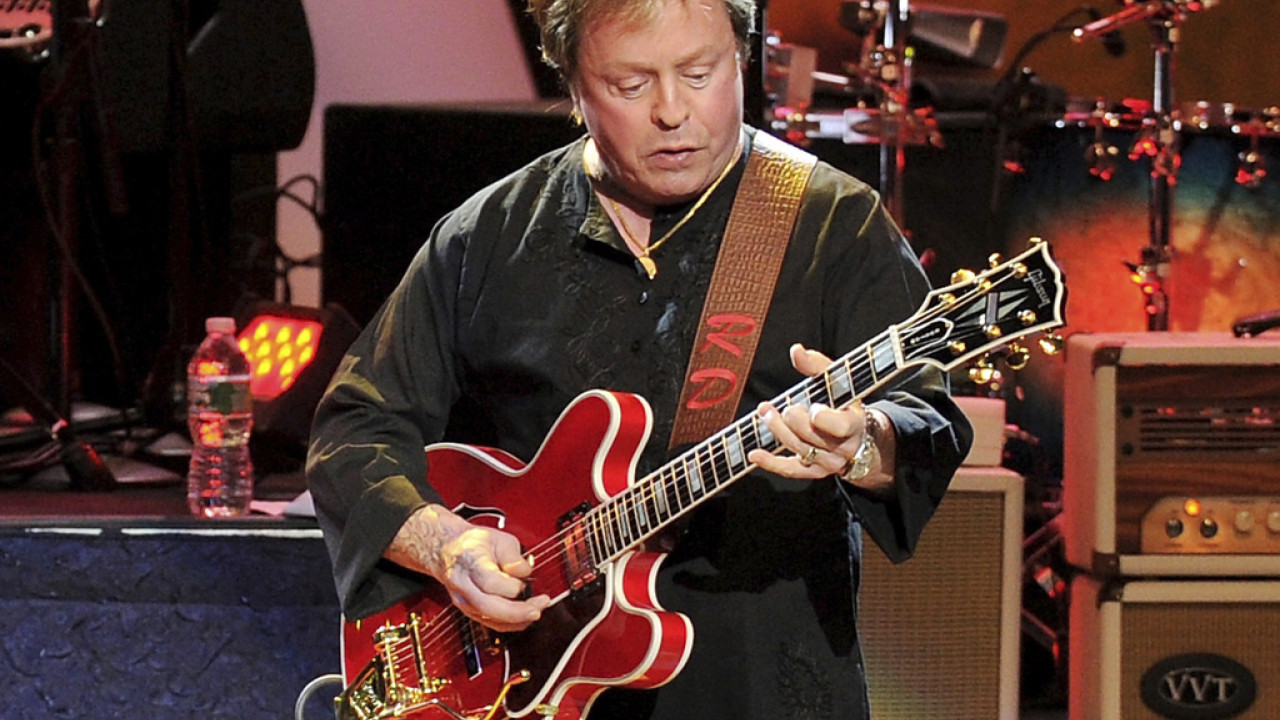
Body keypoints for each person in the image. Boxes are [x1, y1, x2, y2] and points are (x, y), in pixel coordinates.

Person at [306, 0, 973, 718]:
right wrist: (447, 546)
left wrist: (865, 445)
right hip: (524, 688)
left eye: (700, 74)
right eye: (630, 85)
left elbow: (924, 419)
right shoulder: (487, 235)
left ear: (742, 59)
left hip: (760, 683)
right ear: (573, 84)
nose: (672, 112)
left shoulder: (832, 223)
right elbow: (355, 430)